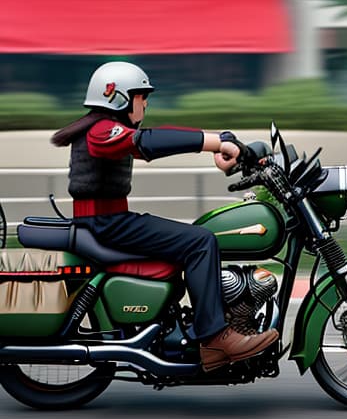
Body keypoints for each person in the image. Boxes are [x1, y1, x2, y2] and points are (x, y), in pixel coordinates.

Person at [51, 61, 278, 371]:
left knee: (194, 237)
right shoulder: (102, 131)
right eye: (141, 96)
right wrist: (215, 141)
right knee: (200, 241)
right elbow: (149, 142)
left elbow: (151, 139)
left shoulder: (104, 129)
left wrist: (228, 153)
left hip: (112, 221)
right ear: (118, 97)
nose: (145, 103)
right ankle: (214, 338)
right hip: (106, 224)